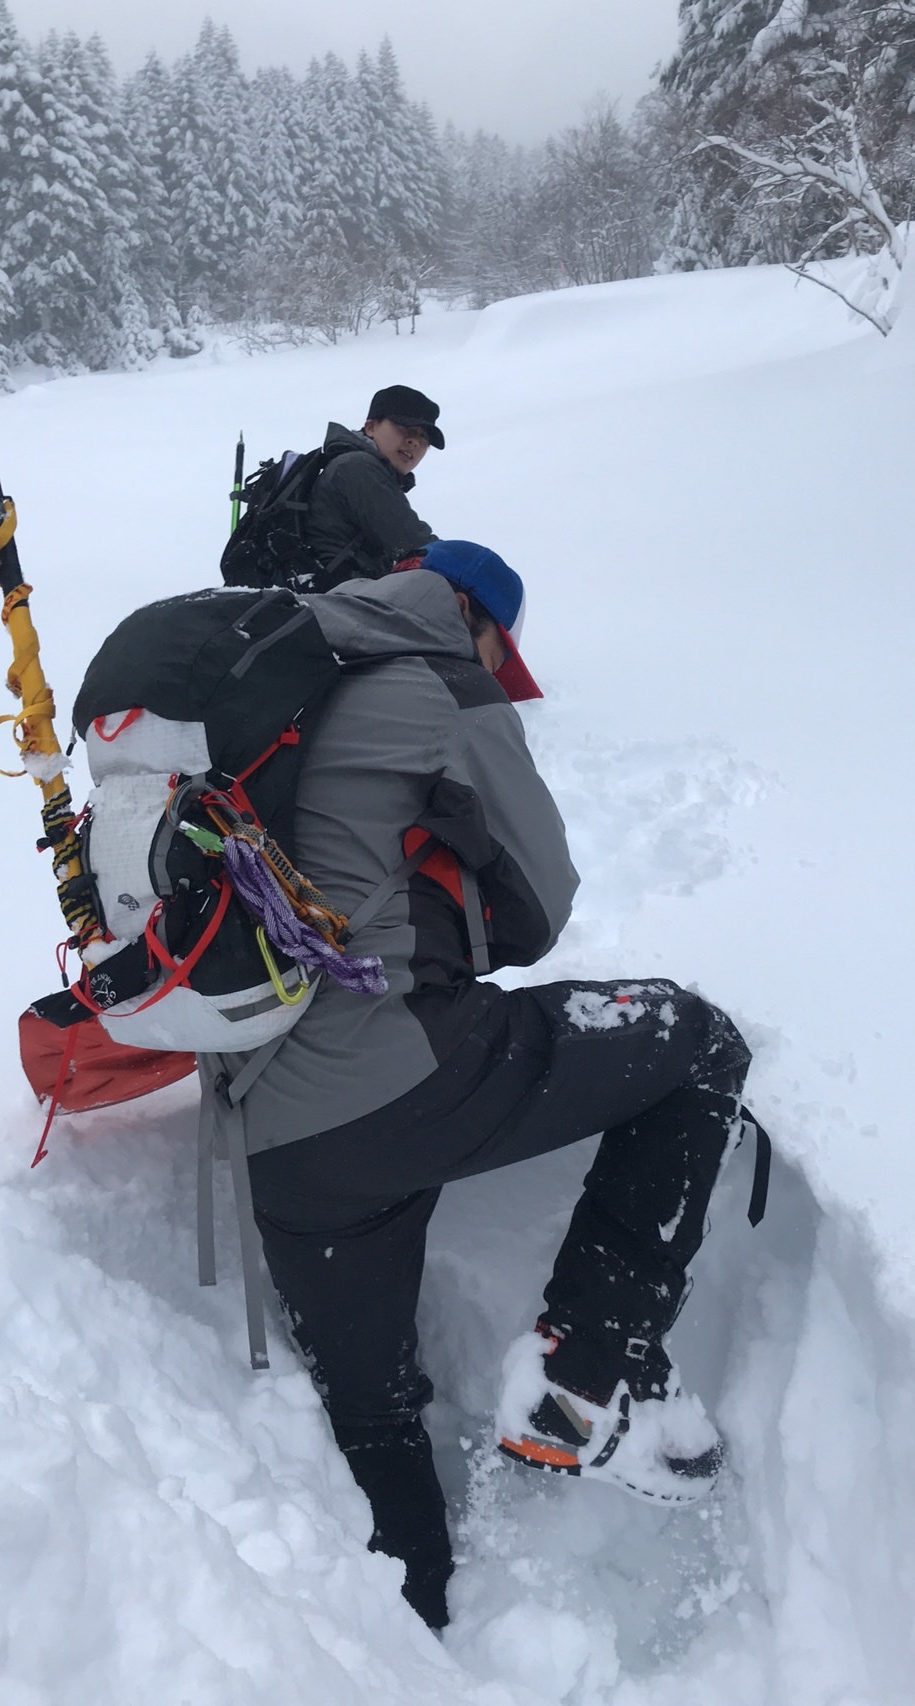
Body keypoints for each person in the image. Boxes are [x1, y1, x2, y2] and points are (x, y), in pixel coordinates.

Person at [233, 540, 754, 1633]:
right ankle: (589, 1376)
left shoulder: (270, 686)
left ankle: (412, 1645)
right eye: (499, 654)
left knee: (376, 1416)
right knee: (698, 1041)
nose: (499, 674)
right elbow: (540, 903)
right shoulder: (438, 677)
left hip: (270, 1135)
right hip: (408, 1076)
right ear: (470, 617)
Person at [304, 384, 441, 588]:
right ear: (370, 427)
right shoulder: (357, 467)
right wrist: (469, 572)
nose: (414, 442)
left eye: (424, 437)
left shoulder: (362, 470)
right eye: (405, 427)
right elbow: (415, 544)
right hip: (329, 598)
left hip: (336, 596)